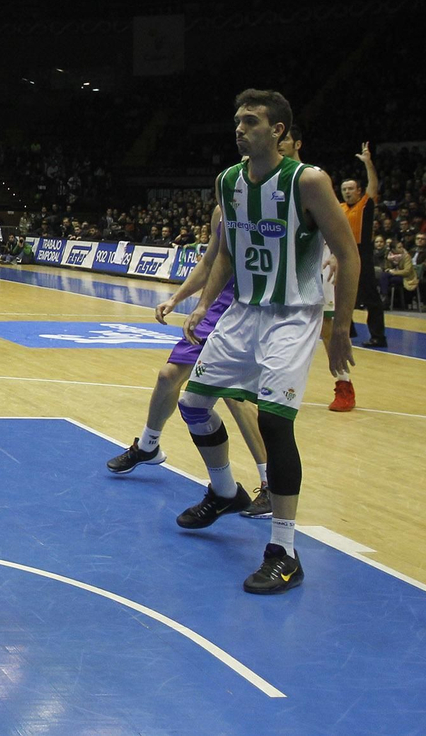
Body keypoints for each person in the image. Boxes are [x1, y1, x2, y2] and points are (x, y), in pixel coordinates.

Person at [175, 90, 358, 594]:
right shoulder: (229, 181)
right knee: (193, 404)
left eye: (251, 121)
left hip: (293, 316)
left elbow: (348, 253)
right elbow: (226, 256)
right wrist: (203, 307)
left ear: (278, 130)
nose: (239, 128)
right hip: (242, 313)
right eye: (237, 120)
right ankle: (225, 491)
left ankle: (284, 550)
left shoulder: (310, 181)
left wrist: (339, 328)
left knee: (276, 423)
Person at [106, 203, 273, 520]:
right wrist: (176, 298)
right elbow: (211, 261)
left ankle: (270, 484)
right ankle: (148, 445)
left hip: (248, 310)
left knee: (234, 397)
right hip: (216, 307)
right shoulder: (221, 211)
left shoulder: (274, 204)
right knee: (168, 376)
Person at [278, 124, 356, 411]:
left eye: (284, 139)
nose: (279, 144)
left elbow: (337, 223)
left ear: (297, 143)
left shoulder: (312, 178)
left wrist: (337, 252)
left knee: (326, 328)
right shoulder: (272, 179)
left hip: (316, 261)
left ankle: (344, 384)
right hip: (284, 265)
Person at [340, 142, 387, 348]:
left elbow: (374, 185)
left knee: (370, 297)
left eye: (351, 189)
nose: (347, 192)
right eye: (344, 189)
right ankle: (348, 330)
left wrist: (368, 163)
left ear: (359, 191)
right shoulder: (339, 207)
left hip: (362, 253)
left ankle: (378, 336)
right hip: (342, 253)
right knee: (340, 293)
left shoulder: (365, 204)